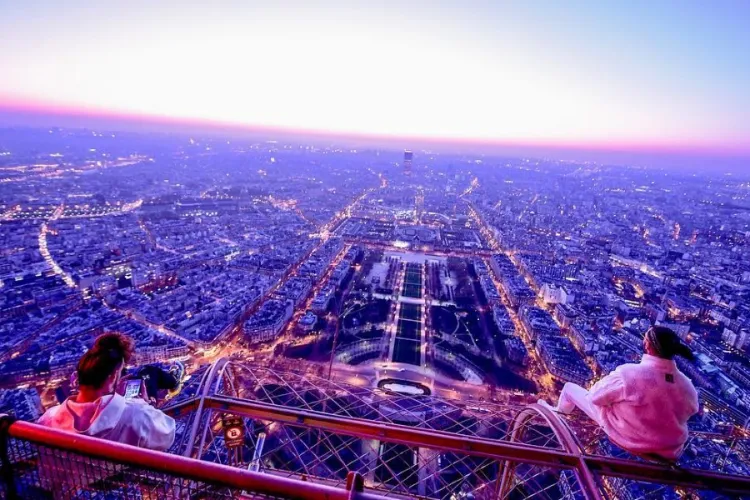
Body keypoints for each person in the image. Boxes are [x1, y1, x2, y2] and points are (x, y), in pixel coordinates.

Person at [538, 326, 699, 461]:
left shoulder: (630, 373)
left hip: (628, 437)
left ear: (647, 345)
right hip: (668, 450)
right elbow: (692, 410)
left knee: (568, 388)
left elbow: (595, 397)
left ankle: (558, 414)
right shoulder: (687, 386)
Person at [39, 333, 175, 451]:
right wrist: (144, 405)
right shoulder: (136, 415)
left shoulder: (47, 420)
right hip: (118, 480)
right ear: (114, 376)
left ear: (77, 376)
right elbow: (167, 436)